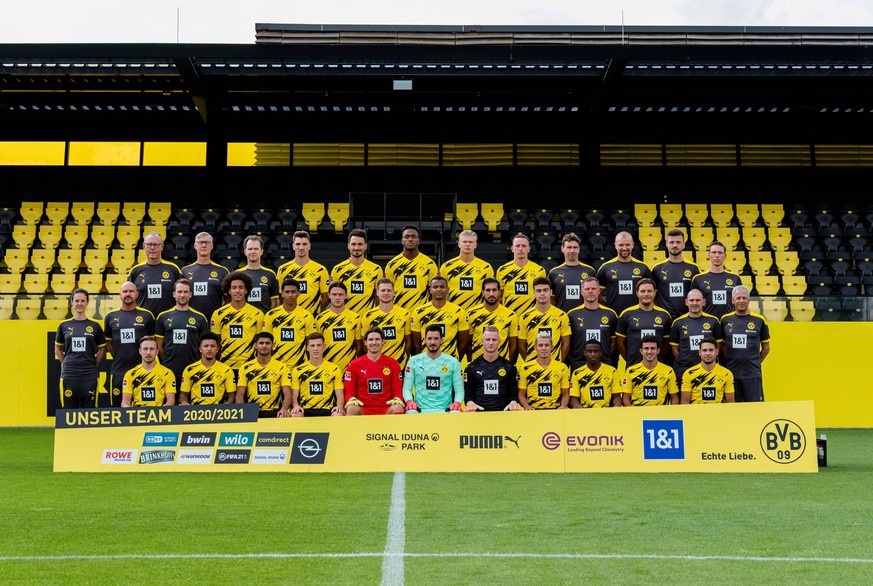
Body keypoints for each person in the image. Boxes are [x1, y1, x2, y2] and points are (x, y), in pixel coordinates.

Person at [102, 281, 154, 407]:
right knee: (118, 411)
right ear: (119, 295)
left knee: (143, 409)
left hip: (143, 372)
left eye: (131, 291)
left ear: (137, 294)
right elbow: (110, 344)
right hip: (119, 371)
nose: (128, 294)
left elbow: (153, 344)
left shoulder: (147, 315)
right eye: (125, 291)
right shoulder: (110, 317)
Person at [154, 279, 211, 390]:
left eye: (185, 292)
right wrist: (167, 361)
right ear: (174, 294)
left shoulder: (200, 318)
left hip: (193, 370)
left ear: (190, 294)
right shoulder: (163, 316)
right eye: (179, 292)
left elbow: (205, 345)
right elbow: (158, 346)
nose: (182, 295)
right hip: (169, 371)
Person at [54, 288, 107, 409]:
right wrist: (67, 362)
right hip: (69, 375)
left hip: (89, 376)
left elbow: (103, 348)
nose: (79, 304)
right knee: (68, 414)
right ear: (71, 302)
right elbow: (57, 349)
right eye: (76, 300)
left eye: (83, 300)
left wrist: (93, 363)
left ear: (87, 302)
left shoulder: (95, 325)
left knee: (89, 415)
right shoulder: (63, 325)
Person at [211, 271, 264, 380]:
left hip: (249, 366)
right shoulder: (218, 314)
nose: (237, 291)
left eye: (241, 287)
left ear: (246, 290)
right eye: (234, 288)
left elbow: (260, 342)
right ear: (229, 291)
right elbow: (215, 342)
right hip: (226, 366)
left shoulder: (257, 314)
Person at [721, 285, 771, 402]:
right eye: (738, 298)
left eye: (744, 298)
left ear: (749, 300)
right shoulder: (725, 320)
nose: (741, 301)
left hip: (753, 374)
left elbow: (766, 348)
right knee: (732, 409)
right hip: (731, 373)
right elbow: (722, 346)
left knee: (755, 409)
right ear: (733, 300)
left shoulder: (759, 320)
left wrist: (755, 362)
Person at [402, 324, 464, 413]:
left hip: (445, 410)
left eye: (436, 338)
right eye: (430, 338)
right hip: (420, 409)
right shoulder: (414, 361)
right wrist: (409, 401)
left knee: (456, 413)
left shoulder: (453, 362)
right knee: (410, 412)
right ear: (424, 340)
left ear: (441, 340)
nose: (432, 342)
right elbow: (407, 388)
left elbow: (459, 390)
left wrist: (457, 403)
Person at [343, 327, 405, 416]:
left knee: (398, 407)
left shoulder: (393, 364)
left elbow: (397, 392)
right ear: (365, 342)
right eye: (370, 340)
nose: (374, 343)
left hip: (386, 408)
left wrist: (397, 399)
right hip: (363, 408)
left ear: (383, 341)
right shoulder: (354, 364)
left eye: (377, 339)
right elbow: (349, 392)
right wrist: (351, 399)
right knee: (351, 408)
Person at [669, 288, 723, 385]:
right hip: (685, 369)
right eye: (691, 300)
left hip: (708, 369)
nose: (695, 303)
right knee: (684, 399)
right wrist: (684, 361)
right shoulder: (678, 323)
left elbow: (718, 346)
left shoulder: (713, 321)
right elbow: (674, 349)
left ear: (703, 302)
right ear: (686, 302)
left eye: (698, 300)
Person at [409, 275, 469, 360]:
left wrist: (455, 360)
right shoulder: (418, 312)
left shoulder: (459, 311)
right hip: (426, 362)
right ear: (430, 290)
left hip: (450, 362)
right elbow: (416, 344)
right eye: (435, 287)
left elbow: (464, 342)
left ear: (447, 289)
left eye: (442, 287)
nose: (439, 289)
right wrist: (422, 360)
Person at [616, 278, 672, 367]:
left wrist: (657, 356)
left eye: (649, 291)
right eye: (643, 291)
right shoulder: (626, 314)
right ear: (637, 293)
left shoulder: (664, 315)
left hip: (657, 368)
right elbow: (619, 342)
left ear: (655, 293)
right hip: (633, 367)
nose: (646, 294)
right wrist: (630, 359)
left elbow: (667, 343)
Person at [463, 325, 520, 412]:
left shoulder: (510, 367)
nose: (491, 343)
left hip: (503, 414)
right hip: (478, 415)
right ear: (482, 341)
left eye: (494, 340)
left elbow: (513, 393)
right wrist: (470, 403)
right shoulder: (471, 368)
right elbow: (468, 394)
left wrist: (513, 402)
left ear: (499, 342)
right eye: (487, 339)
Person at [235, 332, 292, 417]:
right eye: (261, 343)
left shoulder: (282, 367)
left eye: (267, 343)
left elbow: (287, 393)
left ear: (273, 346)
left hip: (275, 412)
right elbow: (239, 394)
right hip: (252, 412)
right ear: (255, 345)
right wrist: (243, 412)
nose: (264, 346)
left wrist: (284, 408)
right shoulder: (245, 368)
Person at [262, 277, 317, 367]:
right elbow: (266, 342)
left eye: (293, 292)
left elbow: (310, 344)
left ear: (298, 293)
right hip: (276, 366)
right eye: (287, 292)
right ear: (282, 294)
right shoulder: (271, 315)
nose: (290, 295)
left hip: (299, 365)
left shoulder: (307, 316)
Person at [567, 277, 618, 370]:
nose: (590, 291)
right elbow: (567, 343)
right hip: (579, 366)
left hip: (604, 366)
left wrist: (600, 357)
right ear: (581, 292)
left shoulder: (610, 314)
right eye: (587, 289)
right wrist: (576, 358)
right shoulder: (571, 314)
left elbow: (614, 343)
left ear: (599, 291)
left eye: (593, 289)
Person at [289, 333, 346, 417]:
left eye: (318, 345)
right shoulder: (298, 370)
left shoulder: (335, 369)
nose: (315, 349)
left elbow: (340, 394)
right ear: (307, 348)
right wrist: (295, 405)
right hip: (306, 410)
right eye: (312, 346)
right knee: (295, 415)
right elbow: (294, 394)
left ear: (324, 347)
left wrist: (340, 406)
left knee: (338, 414)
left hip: (327, 409)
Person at [359, 278, 412, 369]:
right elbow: (365, 343)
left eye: (389, 290)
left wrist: (401, 358)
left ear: (394, 292)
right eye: (383, 290)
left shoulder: (405, 314)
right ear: (377, 292)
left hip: (399, 365)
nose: (386, 293)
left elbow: (408, 342)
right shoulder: (368, 316)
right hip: (376, 366)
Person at [439, 229, 496, 313]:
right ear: (459, 244)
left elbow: (491, 293)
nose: (467, 244)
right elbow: (441, 292)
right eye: (464, 241)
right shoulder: (447, 266)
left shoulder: (486, 267)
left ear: (475, 245)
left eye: (471, 242)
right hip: (453, 313)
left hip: (477, 313)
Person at [596, 231, 652, 316]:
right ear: (615, 246)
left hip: (638, 316)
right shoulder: (606, 267)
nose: (624, 248)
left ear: (632, 245)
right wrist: (608, 307)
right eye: (621, 245)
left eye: (627, 245)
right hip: (614, 316)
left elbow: (652, 294)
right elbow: (597, 294)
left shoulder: (643, 267)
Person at [384, 224, 438, 312]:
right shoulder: (392, 265)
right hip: (398, 313)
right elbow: (387, 292)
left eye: (413, 236)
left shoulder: (429, 264)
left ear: (418, 240)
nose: (410, 239)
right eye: (406, 236)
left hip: (421, 313)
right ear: (402, 241)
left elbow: (434, 293)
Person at [330, 228, 383, 316]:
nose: (356, 248)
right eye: (353, 244)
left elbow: (378, 297)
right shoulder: (338, 270)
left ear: (366, 246)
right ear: (348, 246)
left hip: (367, 321)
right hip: (345, 321)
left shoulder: (376, 269)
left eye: (360, 244)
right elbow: (334, 297)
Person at [276, 230, 330, 315]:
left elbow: (326, 298)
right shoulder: (283, 269)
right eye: (298, 244)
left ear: (309, 246)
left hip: (312, 319)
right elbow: (280, 296)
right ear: (293, 246)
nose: (301, 247)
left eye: (304, 244)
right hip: (291, 318)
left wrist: (318, 313)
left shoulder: (320, 270)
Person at [128, 231, 182, 316]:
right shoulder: (135, 271)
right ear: (144, 246)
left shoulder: (173, 269)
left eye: (156, 244)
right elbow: (128, 297)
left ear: (162, 246)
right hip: (143, 321)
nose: (152, 248)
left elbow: (182, 295)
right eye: (149, 244)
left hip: (169, 320)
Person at [651, 228, 701, 319]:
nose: (674, 245)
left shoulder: (694, 268)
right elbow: (654, 295)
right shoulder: (657, 268)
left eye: (678, 242)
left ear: (684, 245)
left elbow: (698, 295)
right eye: (671, 242)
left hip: (687, 318)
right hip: (664, 318)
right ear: (666, 244)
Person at [517, 277, 570, 362]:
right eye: (538, 291)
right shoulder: (524, 317)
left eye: (545, 290)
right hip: (532, 367)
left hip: (555, 367)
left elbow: (566, 343)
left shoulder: (561, 315)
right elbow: (521, 345)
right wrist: (530, 363)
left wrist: (558, 362)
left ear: (551, 292)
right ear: (533, 293)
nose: (542, 293)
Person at [467, 277, 518, 361]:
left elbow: (513, 345)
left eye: (494, 290)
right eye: (488, 290)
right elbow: (468, 343)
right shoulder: (471, 314)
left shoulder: (511, 315)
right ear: (482, 292)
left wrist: (506, 362)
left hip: (502, 366)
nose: (491, 294)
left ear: (499, 292)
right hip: (477, 365)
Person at [619, 335, 679, 407]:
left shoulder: (668, 371)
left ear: (658, 350)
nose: (649, 352)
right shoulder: (631, 371)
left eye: (653, 348)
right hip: (637, 416)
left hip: (660, 416)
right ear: (641, 351)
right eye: (646, 348)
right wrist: (633, 415)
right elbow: (625, 398)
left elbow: (674, 397)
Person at [181, 231, 229, 320]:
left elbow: (228, 299)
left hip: (214, 320)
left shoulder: (223, 271)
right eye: (200, 242)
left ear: (212, 246)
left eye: (207, 242)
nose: (203, 245)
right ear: (195, 246)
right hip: (190, 320)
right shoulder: (185, 271)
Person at [315, 281, 362, 370]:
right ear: (329, 295)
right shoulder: (320, 318)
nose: (337, 298)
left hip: (350, 368)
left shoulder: (355, 318)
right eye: (334, 294)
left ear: (346, 295)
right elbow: (316, 346)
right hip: (327, 369)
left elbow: (359, 347)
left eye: (340, 294)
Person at [178, 333, 236, 405]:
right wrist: (184, 402)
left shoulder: (227, 370)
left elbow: (232, 396)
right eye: (206, 346)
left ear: (217, 349)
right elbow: (183, 394)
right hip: (196, 412)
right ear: (200, 349)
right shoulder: (189, 369)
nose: (209, 349)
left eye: (212, 346)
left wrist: (227, 404)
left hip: (219, 412)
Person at [496, 233, 546, 316]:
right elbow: (499, 297)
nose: (520, 249)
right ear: (512, 248)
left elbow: (544, 296)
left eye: (524, 246)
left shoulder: (539, 270)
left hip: (532, 316)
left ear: (529, 249)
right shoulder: (502, 270)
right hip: (509, 317)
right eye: (517, 246)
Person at [691, 240, 743, 320]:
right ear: (709, 255)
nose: (717, 255)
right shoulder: (698, 279)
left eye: (720, 253)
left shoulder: (735, 278)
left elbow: (740, 301)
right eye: (714, 252)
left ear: (725, 256)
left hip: (729, 322)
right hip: (706, 323)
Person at [517, 332, 570, 410]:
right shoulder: (525, 368)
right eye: (540, 345)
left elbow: (565, 393)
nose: (544, 348)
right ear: (535, 348)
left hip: (555, 411)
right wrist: (526, 406)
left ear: (552, 347)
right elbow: (521, 394)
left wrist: (563, 406)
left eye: (547, 345)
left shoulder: (562, 367)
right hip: (533, 411)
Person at [120, 336, 176, 407]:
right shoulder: (130, 374)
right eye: (145, 349)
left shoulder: (167, 373)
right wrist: (128, 409)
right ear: (140, 351)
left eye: (152, 349)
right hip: (138, 415)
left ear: (157, 351)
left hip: (159, 414)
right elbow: (125, 402)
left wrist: (161, 411)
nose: (148, 352)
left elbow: (171, 401)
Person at [548, 233, 597, 313]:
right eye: (569, 247)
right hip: (562, 318)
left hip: (584, 318)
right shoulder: (554, 273)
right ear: (562, 248)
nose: (572, 251)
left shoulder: (590, 271)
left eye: (575, 247)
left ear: (579, 249)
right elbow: (551, 299)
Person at [680, 337, 735, 404]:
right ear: (699, 352)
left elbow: (730, 401)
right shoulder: (688, 374)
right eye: (704, 350)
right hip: (696, 413)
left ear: (717, 352)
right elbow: (684, 401)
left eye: (711, 350)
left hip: (718, 413)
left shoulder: (727, 374)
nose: (707, 353)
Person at [569, 339, 622, 408]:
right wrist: (577, 406)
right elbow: (574, 398)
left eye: (596, 351)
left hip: (606, 413)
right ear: (584, 353)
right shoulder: (577, 373)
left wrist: (617, 406)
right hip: (585, 413)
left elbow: (617, 396)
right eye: (589, 351)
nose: (593, 354)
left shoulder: (612, 371)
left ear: (601, 353)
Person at [241, 234, 279, 313]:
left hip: (263, 321)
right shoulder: (238, 274)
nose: (253, 251)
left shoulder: (270, 274)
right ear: (245, 251)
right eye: (250, 249)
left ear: (261, 251)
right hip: (244, 320)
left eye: (256, 249)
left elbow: (274, 301)